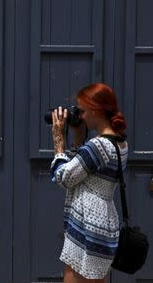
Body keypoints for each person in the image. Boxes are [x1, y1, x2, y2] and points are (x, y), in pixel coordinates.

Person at [50, 83, 128, 283]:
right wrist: (78, 135)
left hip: (87, 226)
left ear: (95, 110)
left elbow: (64, 177)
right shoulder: (119, 142)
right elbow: (84, 167)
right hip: (104, 225)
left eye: (82, 111)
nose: (80, 116)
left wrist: (59, 140)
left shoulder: (98, 146)